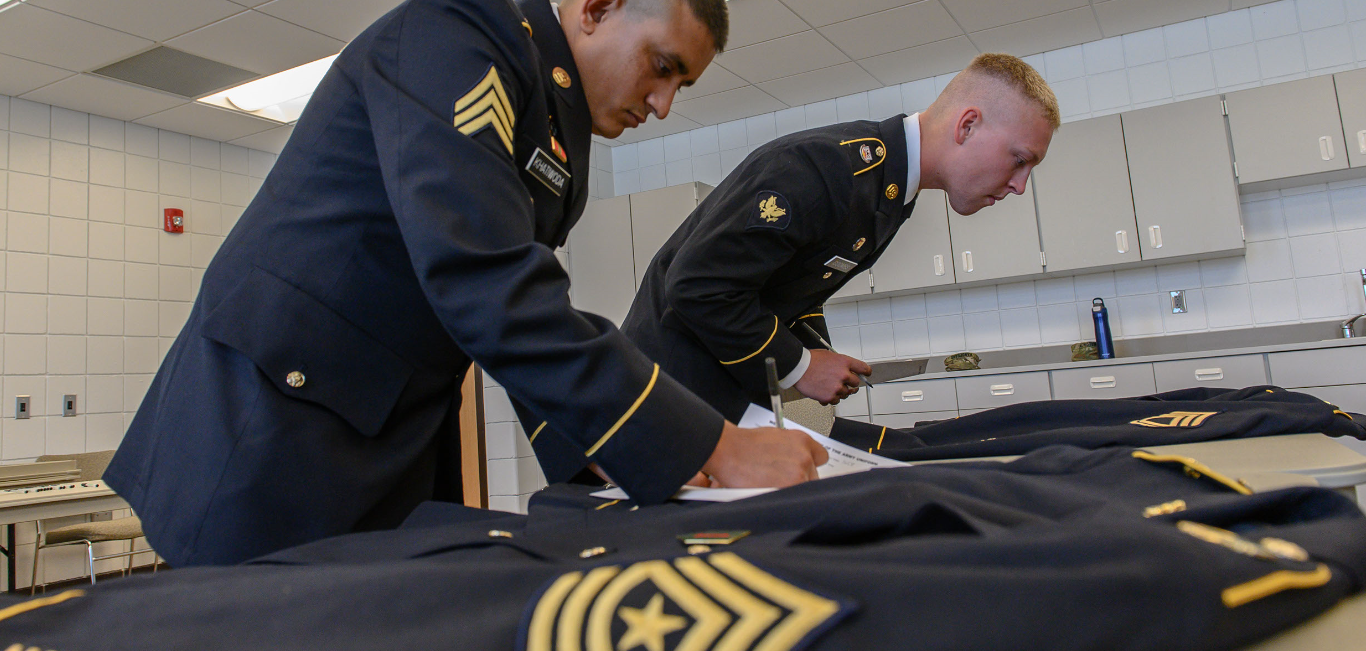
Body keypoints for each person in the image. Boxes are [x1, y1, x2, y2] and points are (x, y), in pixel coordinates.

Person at [103, 0, 826, 568]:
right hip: (273, 426)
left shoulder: (553, 122)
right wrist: (708, 445)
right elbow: (489, 285)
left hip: (381, 427)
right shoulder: (459, 34)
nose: (663, 102)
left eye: (680, 86)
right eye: (661, 67)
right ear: (598, 8)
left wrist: (611, 457)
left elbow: (517, 311)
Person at [613, 53, 1059, 430]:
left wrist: (819, 352)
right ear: (967, 126)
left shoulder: (890, 191)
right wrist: (802, 366)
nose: (1020, 185)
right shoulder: (826, 169)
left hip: (710, 402)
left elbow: (791, 286)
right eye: (1019, 160)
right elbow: (698, 286)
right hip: (653, 406)